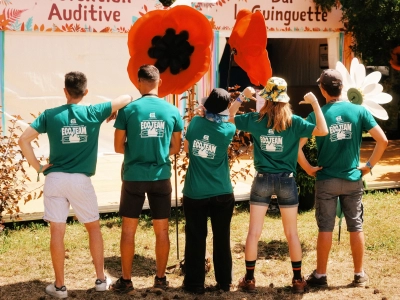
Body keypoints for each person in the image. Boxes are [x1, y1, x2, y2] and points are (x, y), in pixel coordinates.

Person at [18, 71, 133, 299]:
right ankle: (101, 279)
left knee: (57, 232)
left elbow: (23, 139)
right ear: (86, 92)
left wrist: (38, 167)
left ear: (65, 91)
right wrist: (114, 109)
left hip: (55, 179)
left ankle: (60, 287)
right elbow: (127, 97)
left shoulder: (50, 115)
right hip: (81, 181)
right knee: (93, 229)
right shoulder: (93, 112)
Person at [229, 77, 328, 293]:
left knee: (253, 232)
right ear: (285, 99)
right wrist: (315, 103)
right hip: (287, 180)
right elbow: (323, 130)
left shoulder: (256, 120)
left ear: (266, 99)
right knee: (292, 233)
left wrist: (242, 96)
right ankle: (298, 280)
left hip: (262, 179)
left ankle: (249, 279)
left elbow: (229, 118)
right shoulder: (294, 122)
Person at [298, 69, 388, 288]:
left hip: (326, 179)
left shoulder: (316, 116)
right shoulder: (359, 110)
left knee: (325, 228)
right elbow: (382, 140)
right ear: (342, 88)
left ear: (322, 89)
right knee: (356, 226)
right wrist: (368, 166)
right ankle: (359, 274)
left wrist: (309, 168)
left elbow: (295, 147)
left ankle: (321, 275)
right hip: (352, 179)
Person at [111, 64, 183, 293]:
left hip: (133, 176)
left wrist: (136, 150)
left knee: (128, 231)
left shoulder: (128, 110)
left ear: (138, 82)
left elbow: (117, 146)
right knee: (162, 231)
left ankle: (126, 280)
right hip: (161, 176)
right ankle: (160, 279)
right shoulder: (172, 110)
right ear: (159, 82)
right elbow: (175, 147)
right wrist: (159, 152)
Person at [182, 88, 236, 295]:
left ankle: (195, 284)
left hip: (195, 191)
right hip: (221, 191)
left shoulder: (195, 123)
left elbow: (187, 149)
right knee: (222, 237)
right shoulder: (228, 131)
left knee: (195, 237)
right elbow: (230, 118)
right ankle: (224, 282)